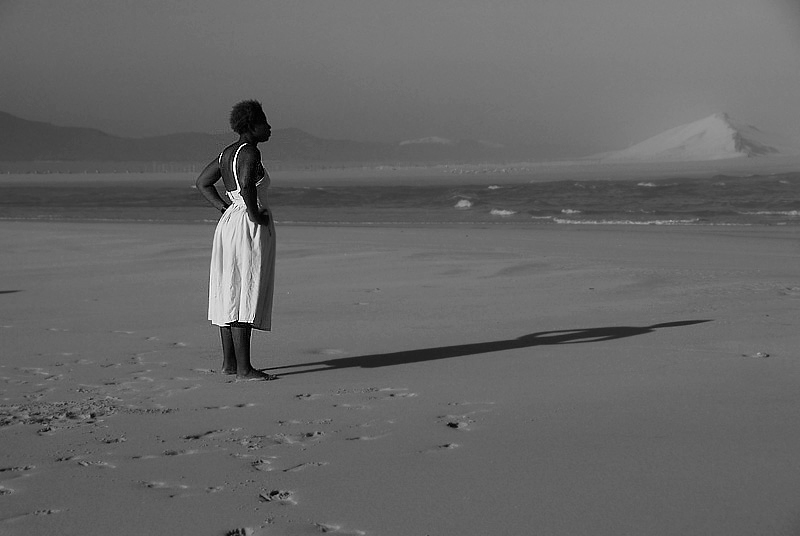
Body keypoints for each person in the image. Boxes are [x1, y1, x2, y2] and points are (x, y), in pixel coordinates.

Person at [196, 100, 276, 380]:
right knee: (245, 287)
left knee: (229, 287)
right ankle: (244, 368)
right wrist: (255, 216)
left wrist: (223, 208)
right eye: (265, 122)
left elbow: (202, 183)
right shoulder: (250, 152)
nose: (269, 128)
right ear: (252, 126)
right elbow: (246, 188)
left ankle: (230, 364)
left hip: (229, 223)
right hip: (245, 226)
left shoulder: (226, 154)